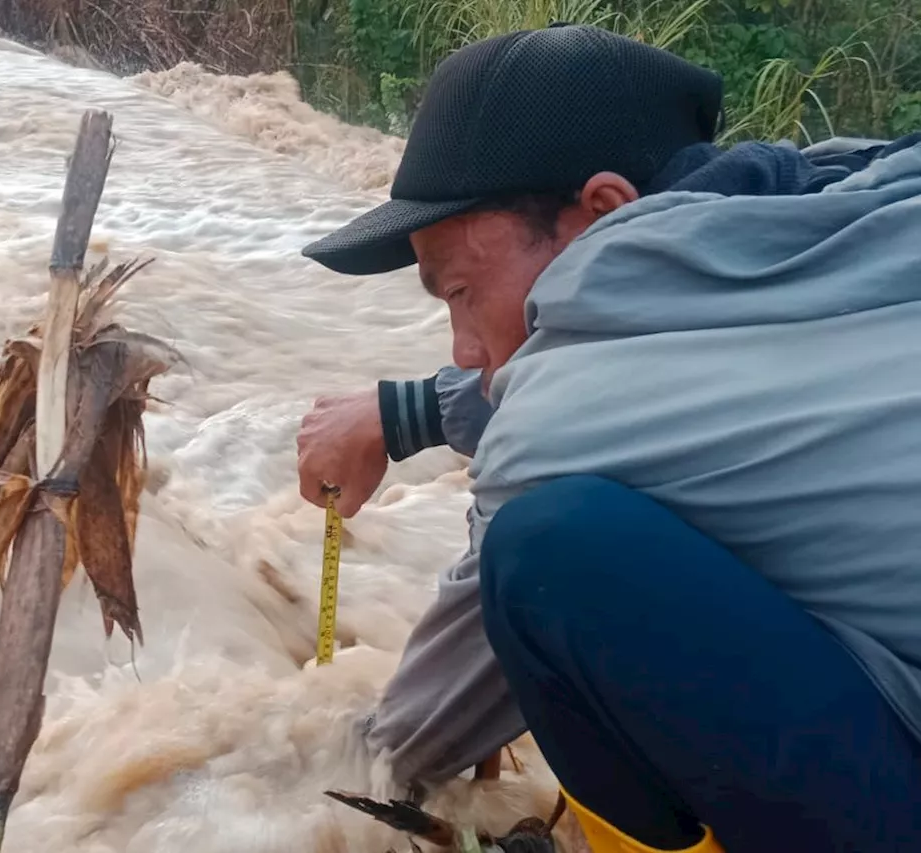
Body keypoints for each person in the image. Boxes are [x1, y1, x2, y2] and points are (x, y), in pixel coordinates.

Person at [296, 23, 921, 853]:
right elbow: (671, 359)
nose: (462, 347)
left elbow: (417, 736)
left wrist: (300, 779)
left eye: (458, 291)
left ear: (604, 211)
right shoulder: (860, 199)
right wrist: (405, 411)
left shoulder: (557, 428)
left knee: (552, 553)